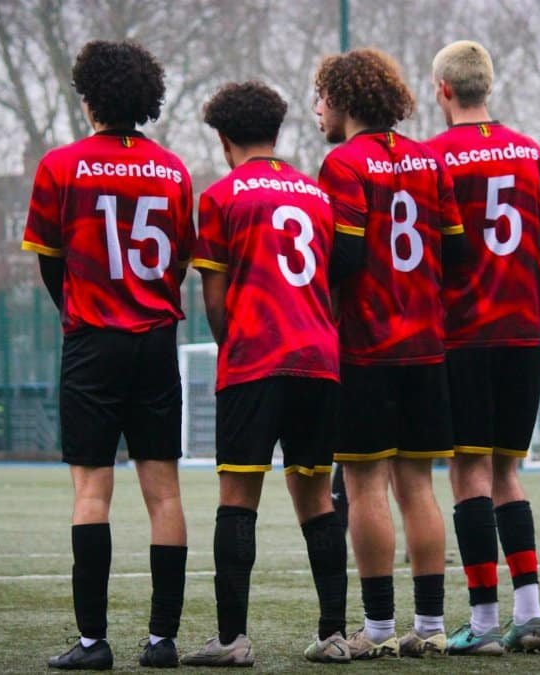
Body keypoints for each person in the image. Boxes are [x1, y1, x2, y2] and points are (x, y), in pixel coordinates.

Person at [21, 40, 193, 671]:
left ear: (89, 95)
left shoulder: (60, 166)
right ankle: (162, 641)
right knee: (164, 493)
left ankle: (93, 643)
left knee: (92, 491)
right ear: (146, 98)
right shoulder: (174, 170)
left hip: (93, 339)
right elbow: (177, 260)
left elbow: (50, 259)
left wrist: (78, 307)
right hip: (154, 339)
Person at [180, 81, 349, 667]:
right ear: (276, 132)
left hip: (255, 361)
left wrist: (239, 346)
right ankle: (334, 634)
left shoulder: (222, 196)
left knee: (238, 497)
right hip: (319, 362)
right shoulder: (317, 196)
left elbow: (215, 301)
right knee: (316, 498)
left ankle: (232, 640)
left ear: (225, 140)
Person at [313, 48, 466, 659]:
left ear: (346, 101)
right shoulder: (431, 160)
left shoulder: (342, 164)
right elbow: (454, 254)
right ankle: (429, 627)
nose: (318, 109)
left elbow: (345, 259)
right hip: (427, 347)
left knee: (365, 485)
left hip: (366, 348)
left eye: (321, 97)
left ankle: (376, 630)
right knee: (419, 487)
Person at [423, 40, 540, 654]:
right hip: (522, 330)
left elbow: (427, 255)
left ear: (444, 90)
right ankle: (529, 614)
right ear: (488, 86)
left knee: (468, 470)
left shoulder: (433, 158)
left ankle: (480, 624)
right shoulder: (532, 153)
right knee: (508, 471)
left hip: (464, 332)